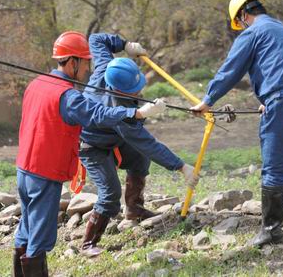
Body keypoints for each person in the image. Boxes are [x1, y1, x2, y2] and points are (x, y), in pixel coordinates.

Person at [13, 31, 167, 276]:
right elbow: (98, 114)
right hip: (45, 172)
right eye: (85, 63)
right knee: (39, 239)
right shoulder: (68, 96)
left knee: (26, 228)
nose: (88, 68)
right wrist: (136, 114)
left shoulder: (37, 83)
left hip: (24, 169)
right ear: (72, 62)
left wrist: (124, 44)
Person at [191, 0, 283, 247]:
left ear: (242, 14)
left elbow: (231, 70)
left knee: (274, 166)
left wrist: (207, 101)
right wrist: (269, 101)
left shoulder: (252, 33)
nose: (240, 26)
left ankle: (272, 231)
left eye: (239, 21)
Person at [78, 33, 199, 257]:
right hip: (92, 146)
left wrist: (124, 44)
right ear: (118, 90)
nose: (139, 92)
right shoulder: (121, 117)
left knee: (138, 158)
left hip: (114, 138)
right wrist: (181, 166)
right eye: (134, 91)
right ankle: (88, 244)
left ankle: (134, 209)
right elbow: (149, 144)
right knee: (109, 193)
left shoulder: (107, 66)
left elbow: (96, 39)